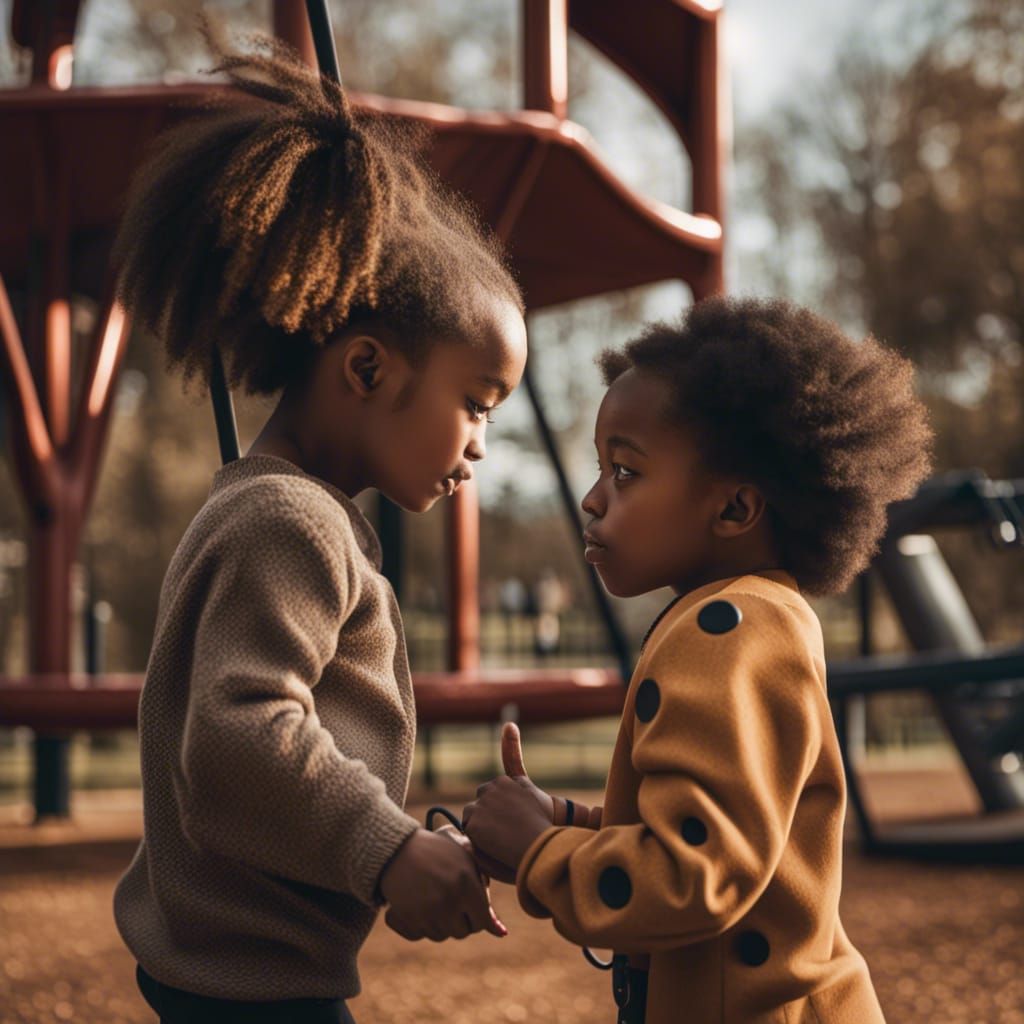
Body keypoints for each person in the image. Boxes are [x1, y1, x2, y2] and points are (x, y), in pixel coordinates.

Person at [110, 24, 527, 1024]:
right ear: (369, 367)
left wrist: (398, 841)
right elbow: (238, 733)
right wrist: (382, 850)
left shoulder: (287, 514)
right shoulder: (287, 523)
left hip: (251, 974)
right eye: (476, 400)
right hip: (249, 991)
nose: (479, 443)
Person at [462, 296, 933, 1023]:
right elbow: (717, 838)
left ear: (735, 509)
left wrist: (538, 853)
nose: (593, 499)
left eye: (625, 472)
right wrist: (563, 822)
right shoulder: (754, 617)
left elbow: (696, 877)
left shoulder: (728, 630)